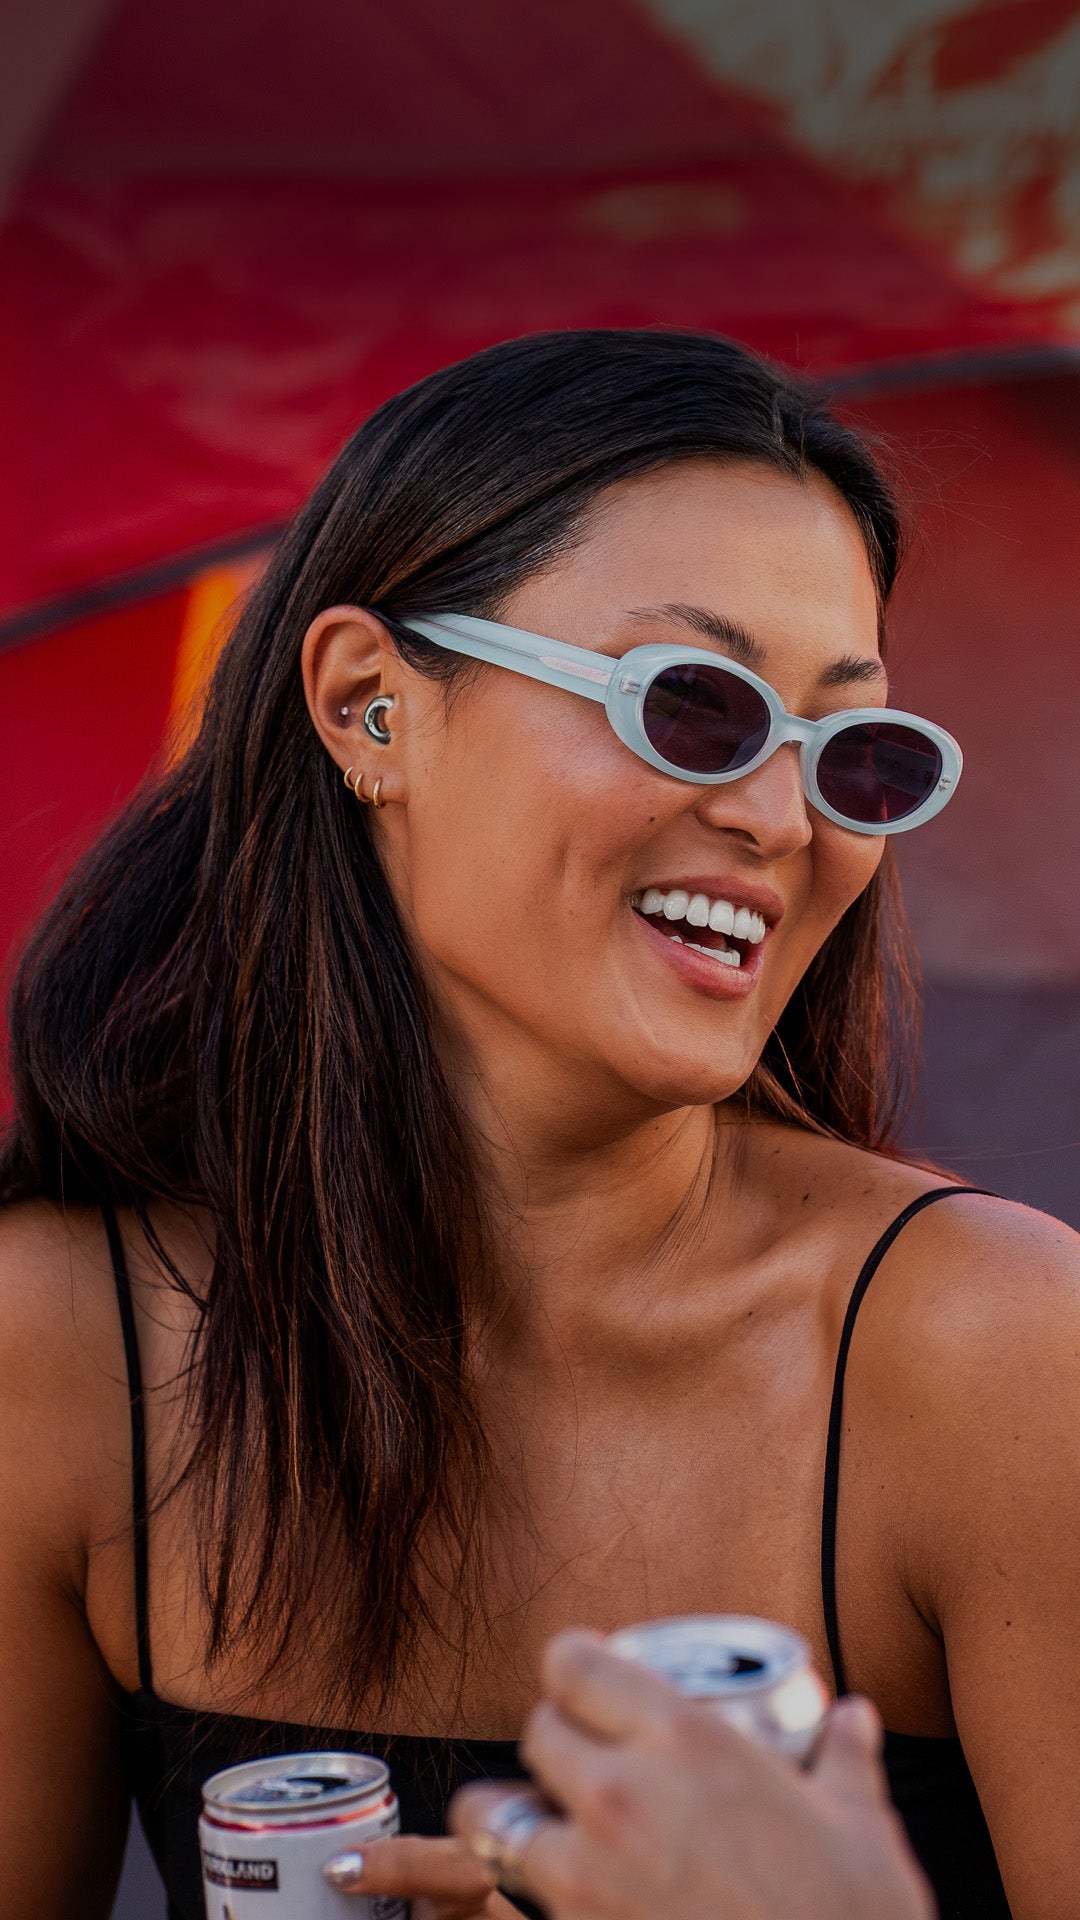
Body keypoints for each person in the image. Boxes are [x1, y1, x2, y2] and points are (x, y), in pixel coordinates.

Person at [1, 329, 1078, 1920]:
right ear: (371, 707)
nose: (781, 819)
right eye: (692, 706)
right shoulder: (60, 1349)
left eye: (850, 753)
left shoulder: (1000, 1359)